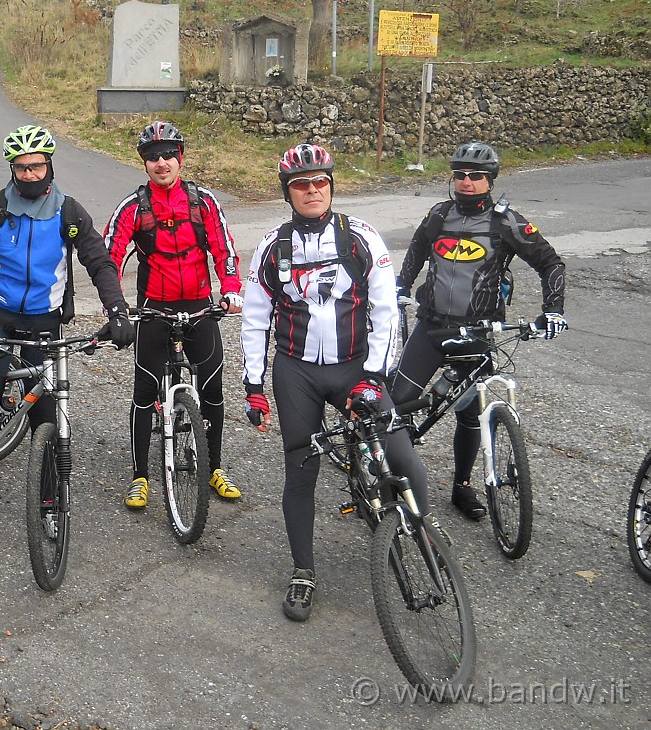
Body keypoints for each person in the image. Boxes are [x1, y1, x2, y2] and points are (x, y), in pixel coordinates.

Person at [240, 143, 436, 622]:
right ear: (287, 192)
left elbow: (388, 312)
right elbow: (254, 318)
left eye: (320, 182)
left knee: (404, 458)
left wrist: (374, 376)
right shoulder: (272, 246)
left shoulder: (362, 237)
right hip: (296, 370)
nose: (312, 191)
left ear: (331, 185)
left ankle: (422, 536)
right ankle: (303, 571)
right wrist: (253, 386)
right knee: (300, 474)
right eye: (301, 185)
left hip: (355, 365)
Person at [0, 125, 134, 509]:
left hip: (45, 326)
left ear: (49, 166)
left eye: (37, 166)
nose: (30, 174)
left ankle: (50, 504)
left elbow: (99, 263)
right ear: (12, 169)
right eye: (21, 168)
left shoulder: (70, 212)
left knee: (44, 418)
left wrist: (117, 309)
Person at [390, 142, 567, 520]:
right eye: (460, 175)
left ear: (490, 180)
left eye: (476, 176)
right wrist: (402, 285)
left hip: (478, 333)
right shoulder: (439, 214)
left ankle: (462, 486)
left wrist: (552, 311)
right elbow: (418, 249)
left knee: (471, 415)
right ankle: (395, 481)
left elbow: (551, 263)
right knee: (399, 403)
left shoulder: (506, 222)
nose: (466, 182)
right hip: (431, 326)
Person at [104, 121, 245, 509]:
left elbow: (224, 249)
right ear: (144, 163)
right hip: (154, 310)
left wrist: (230, 290)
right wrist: (114, 304)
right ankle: (139, 477)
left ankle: (214, 467)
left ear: (180, 158)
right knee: (145, 391)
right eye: (152, 157)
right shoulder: (134, 207)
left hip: (200, 306)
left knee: (213, 390)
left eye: (168, 155)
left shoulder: (203, 202)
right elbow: (109, 256)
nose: (161, 163)